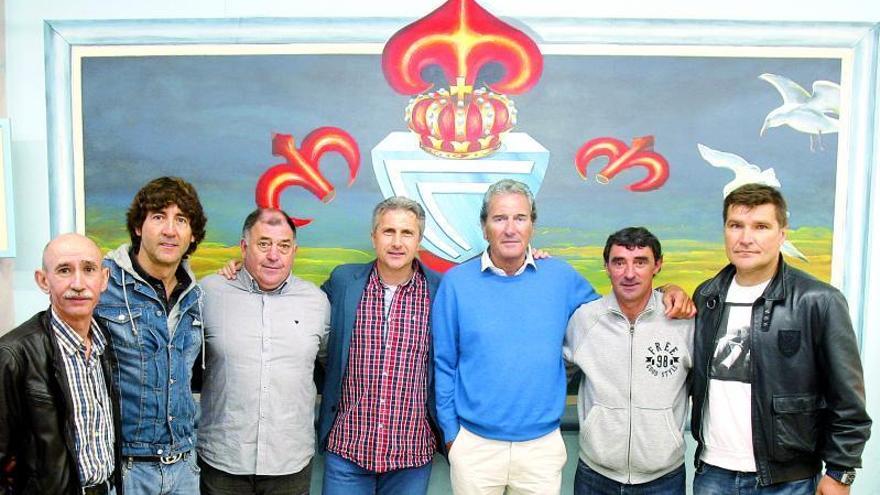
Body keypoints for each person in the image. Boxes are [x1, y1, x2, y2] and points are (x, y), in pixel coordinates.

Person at [432, 179, 694, 495]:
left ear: (532, 225)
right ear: (484, 226)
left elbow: (620, 304)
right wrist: (451, 436)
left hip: (541, 449)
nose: (510, 229)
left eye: (520, 218)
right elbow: (443, 364)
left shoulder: (560, 276)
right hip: (475, 445)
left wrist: (668, 291)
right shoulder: (457, 283)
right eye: (500, 218)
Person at [690, 183, 871, 494]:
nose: (746, 238)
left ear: (782, 234)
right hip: (713, 474)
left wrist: (841, 472)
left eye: (761, 226)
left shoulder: (818, 300)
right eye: (736, 226)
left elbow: (848, 398)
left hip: (788, 481)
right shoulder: (707, 296)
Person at [197, 207, 330, 494]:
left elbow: (334, 364)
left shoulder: (317, 302)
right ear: (244, 247)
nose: (274, 255)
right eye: (264, 244)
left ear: (294, 250)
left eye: (283, 246)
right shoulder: (208, 293)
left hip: (290, 463)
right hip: (223, 461)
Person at [318, 197, 442, 495]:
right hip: (347, 449)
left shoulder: (440, 290)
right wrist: (240, 271)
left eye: (407, 233)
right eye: (388, 232)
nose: (397, 242)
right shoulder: (344, 281)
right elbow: (297, 308)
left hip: (410, 454)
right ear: (374, 237)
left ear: (419, 241)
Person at [94, 176, 207, 494]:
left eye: (181, 220)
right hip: (126, 468)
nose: (170, 230)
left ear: (192, 234)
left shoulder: (196, 296)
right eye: (159, 217)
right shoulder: (103, 283)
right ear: (139, 227)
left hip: (184, 467)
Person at [564, 227, 693, 495]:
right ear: (607, 267)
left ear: (657, 265)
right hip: (595, 476)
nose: (630, 273)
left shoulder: (683, 322)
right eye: (619, 262)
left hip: (664, 479)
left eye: (641, 262)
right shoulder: (584, 320)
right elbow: (553, 376)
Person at [0, 233, 121, 494]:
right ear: (43, 281)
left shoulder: (105, 342)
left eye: (89, 269)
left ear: (104, 279)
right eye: (64, 270)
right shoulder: (14, 353)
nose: (78, 283)